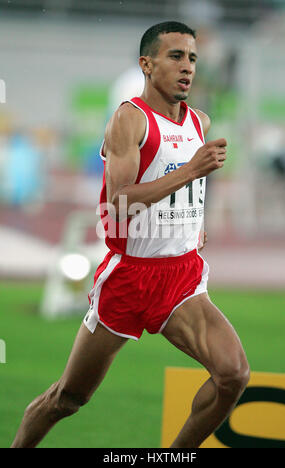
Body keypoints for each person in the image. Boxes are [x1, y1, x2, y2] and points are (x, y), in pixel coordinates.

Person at [11, 21, 250, 449]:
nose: (187, 67)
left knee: (233, 374)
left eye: (192, 58)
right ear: (147, 63)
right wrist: (193, 171)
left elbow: (179, 188)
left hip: (181, 277)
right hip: (129, 279)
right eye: (175, 56)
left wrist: (191, 224)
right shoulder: (129, 118)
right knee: (68, 398)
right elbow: (117, 205)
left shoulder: (200, 121)